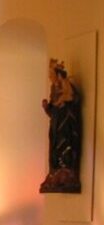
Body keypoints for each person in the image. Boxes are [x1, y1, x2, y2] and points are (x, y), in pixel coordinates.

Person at [39, 59, 82, 193]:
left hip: (66, 125)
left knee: (65, 145)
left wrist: (64, 101)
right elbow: (53, 112)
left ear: (58, 75)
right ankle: (55, 171)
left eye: (51, 75)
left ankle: (66, 172)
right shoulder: (54, 90)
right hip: (56, 125)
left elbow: (73, 99)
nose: (50, 78)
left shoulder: (67, 86)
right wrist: (47, 108)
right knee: (54, 147)